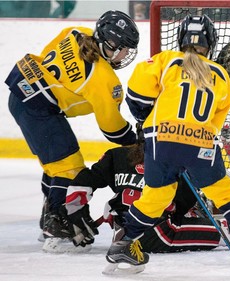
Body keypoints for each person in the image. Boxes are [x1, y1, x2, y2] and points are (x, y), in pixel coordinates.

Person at [106, 14, 230, 269]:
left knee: (157, 196)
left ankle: (123, 240)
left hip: (162, 141)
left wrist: (145, 117)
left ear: (180, 38)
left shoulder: (166, 61)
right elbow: (215, 121)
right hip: (201, 143)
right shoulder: (221, 74)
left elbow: (137, 96)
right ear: (211, 42)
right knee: (221, 189)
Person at [5, 10, 139, 248]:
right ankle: (57, 227)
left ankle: (50, 217)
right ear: (110, 45)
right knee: (69, 167)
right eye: (124, 49)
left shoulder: (76, 33)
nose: (126, 55)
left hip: (23, 93)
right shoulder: (104, 79)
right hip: (38, 110)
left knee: (56, 163)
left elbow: (48, 55)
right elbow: (112, 129)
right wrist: (135, 140)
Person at [62, 134, 230, 255]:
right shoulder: (176, 162)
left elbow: (84, 180)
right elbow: (182, 207)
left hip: (126, 226)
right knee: (223, 230)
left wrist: (75, 211)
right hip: (156, 233)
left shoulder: (117, 155)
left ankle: (121, 229)